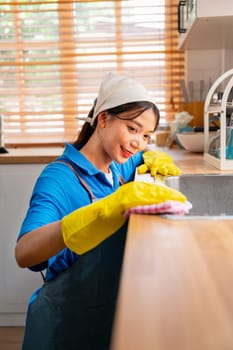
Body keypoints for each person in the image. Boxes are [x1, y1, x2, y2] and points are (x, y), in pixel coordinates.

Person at [15, 72, 186, 350]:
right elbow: (24, 253)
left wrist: (156, 155)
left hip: (104, 312)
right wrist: (101, 212)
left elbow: (142, 156)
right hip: (66, 323)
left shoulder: (118, 165)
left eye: (146, 136)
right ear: (103, 119)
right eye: (132, 129)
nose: (138, 143)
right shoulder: (58, 178)